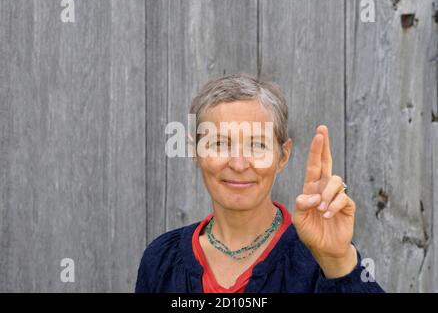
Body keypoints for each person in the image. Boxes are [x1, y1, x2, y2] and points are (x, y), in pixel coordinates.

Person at [135, 73, 384, 293]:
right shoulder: (161, 261)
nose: (239, 164)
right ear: (195, 152)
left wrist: (339, 262)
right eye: (220, 144)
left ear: (283, 156)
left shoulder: (317, 261)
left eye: (257, 145)